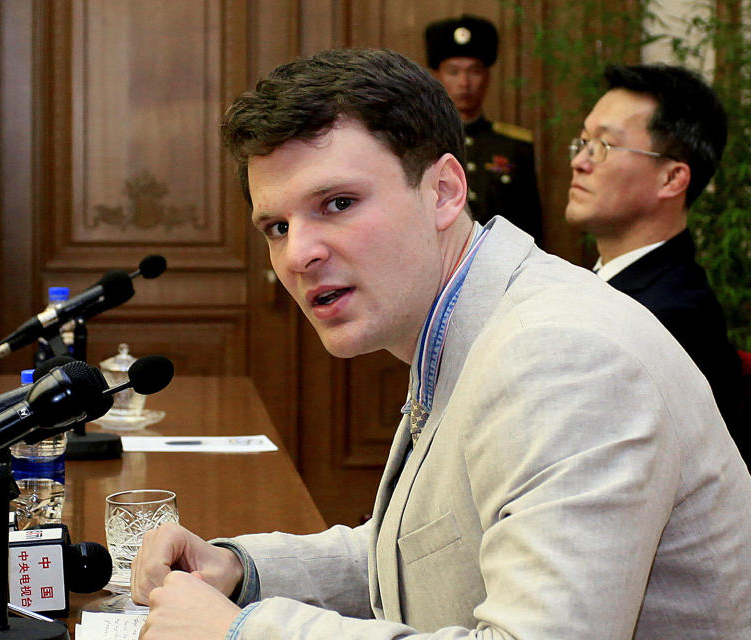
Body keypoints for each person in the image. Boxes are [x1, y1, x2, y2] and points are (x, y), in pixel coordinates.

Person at [128, 48, 751, 639]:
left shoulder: (561, 355)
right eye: (277, 226)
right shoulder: (468, 320)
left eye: (338, 203)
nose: (298, 253)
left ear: (446, 192)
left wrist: (241, 632)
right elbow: (426, 548)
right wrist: (241, 571)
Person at [565, 64, 746, 458]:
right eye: (582, 142)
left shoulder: (671, 319)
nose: (579, 161)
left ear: (672, 179)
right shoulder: (594, 287)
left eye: (603, 146)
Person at [425, 14, 543, 245]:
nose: (464, 82)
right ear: (437, 75)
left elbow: (531, 227)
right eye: (453, 71)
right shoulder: (420, 143)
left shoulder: (514, 146)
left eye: (474, 71)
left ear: (487, 76)